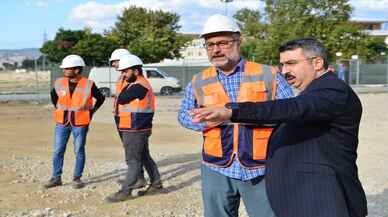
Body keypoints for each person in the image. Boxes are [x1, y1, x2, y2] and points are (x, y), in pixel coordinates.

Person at [190, 38, 368, 217]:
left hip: (325, 200)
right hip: (306, 198)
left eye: (291, 63)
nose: (284, 71)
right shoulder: (314, 90)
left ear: (317, 63)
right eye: (282, 65)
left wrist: (231, 112)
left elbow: (291, 108)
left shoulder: (333, 90)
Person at [178, 14, 293, 217]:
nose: (216, 49)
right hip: (216, 167)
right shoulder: (198, 80)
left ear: (238, 41)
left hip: (261, 167)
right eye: (210, 45)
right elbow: (183, 115)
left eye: (223, 42)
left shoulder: (268, 75)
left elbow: (288, 113)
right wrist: (205, 122)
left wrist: (232, 116)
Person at [105, 54, 162, 203]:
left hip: (135, 127)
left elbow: (122, 98)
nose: (122, 75)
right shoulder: (135, 83)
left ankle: (125, 191)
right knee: (144, 157)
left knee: (133, 161)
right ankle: (156, 184)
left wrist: (121, 90)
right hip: (134, 125)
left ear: (136, 71)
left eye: (125, 71)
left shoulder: (139, 86)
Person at [44, 54, 105, 189]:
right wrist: (59, 109)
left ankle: (77, 178)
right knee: (58, 150)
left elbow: (100, 98)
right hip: (62, 122)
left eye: (67, 68)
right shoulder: (59, 82)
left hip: (80, 123)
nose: (64, 71)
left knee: (79, 150)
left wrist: (92, 111)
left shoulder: (88, 84)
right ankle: (56, 177)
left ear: (77, 70)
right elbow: (54, 97)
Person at [109, 48, 147, 188]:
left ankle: (137, 179)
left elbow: (128, 97)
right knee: (131, 149)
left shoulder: (130, 78)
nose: (113, 65)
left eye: (115, 61)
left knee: (134, 151)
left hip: (132, 119)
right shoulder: (122, 77)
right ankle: (136, 177)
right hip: (121, 116)